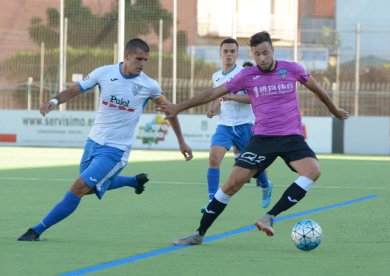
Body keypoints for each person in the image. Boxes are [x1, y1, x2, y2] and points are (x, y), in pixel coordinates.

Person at [158, 31, 349, 245]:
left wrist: (333, 109)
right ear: (252, 54)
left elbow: (318, 90)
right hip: (262, 139)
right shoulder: (247, 76)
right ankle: (198, 233)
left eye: (265, 53)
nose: (262, 59)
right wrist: (179, 107)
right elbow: (213, 93)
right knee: (231, 185)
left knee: (313, 171)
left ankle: (269, 216)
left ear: (273, 50)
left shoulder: (292, 69)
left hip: (291, 138)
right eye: (257, 54)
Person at [17, 38, 193, 241]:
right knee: (90, 188)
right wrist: (54, 100)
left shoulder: (149, 86)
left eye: (146, 60)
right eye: (139, 59)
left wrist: (181, 141)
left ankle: (36, 230)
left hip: (116, 151)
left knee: (79, 188)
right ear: (126, 56)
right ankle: (133, 181)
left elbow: (170, 111)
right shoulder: (104, 73)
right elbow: (75, 90)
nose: (143, 64)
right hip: (93, 143)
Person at [203, 38, 272, 212]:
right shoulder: (216, 76)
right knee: (213, 159)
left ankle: (265, 185)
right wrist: (213, 108)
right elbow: (219, 97)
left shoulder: (245, 74)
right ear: (220, 54)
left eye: (232, 51)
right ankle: (212, 201)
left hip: (245, 126)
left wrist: (231, 96)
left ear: (237, 54)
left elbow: (251, 99)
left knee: (254, 166)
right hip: (225, 126)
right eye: (225, 51)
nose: (229, 54)